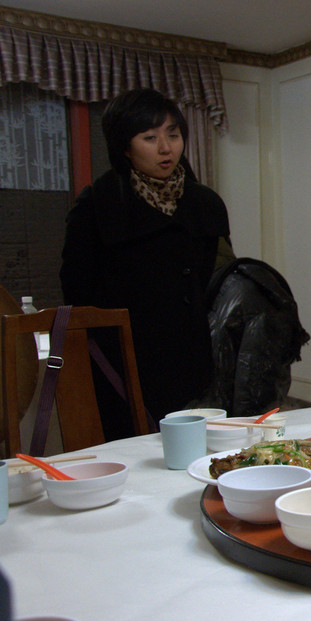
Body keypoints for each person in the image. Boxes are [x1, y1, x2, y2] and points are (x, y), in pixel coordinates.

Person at [61, 88, 232, 439]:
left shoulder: (206, 203)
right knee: (134, 449)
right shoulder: (98, 205)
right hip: (124, 361)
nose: (166, 148)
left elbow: (217, 279)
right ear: (125, 147)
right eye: (150, 138)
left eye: (173, 134)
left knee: (198, 447)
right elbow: (77, 293)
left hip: (194, 355)